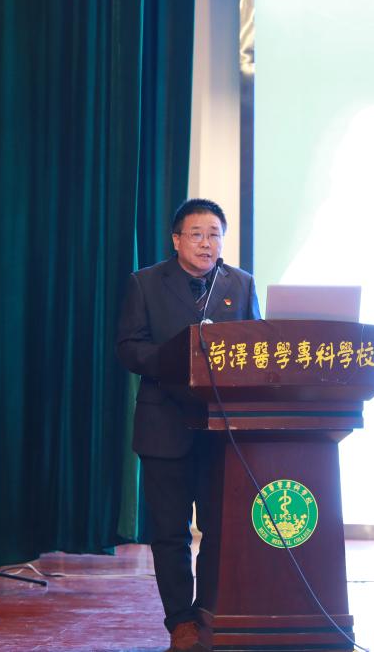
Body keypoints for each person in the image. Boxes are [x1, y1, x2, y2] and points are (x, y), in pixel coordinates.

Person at [116, 199, 260, 652]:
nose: (206, 243)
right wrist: (178, 359)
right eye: (196, 234)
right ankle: (180, 621)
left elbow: (257, 346)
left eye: (214, 234)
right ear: (177, 240)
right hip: (165, 425)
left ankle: (209, 611)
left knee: (220, 529)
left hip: (221, 430)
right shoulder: (145, 283)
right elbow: (129, 347)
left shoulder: (240, 283)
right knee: (170, 533)